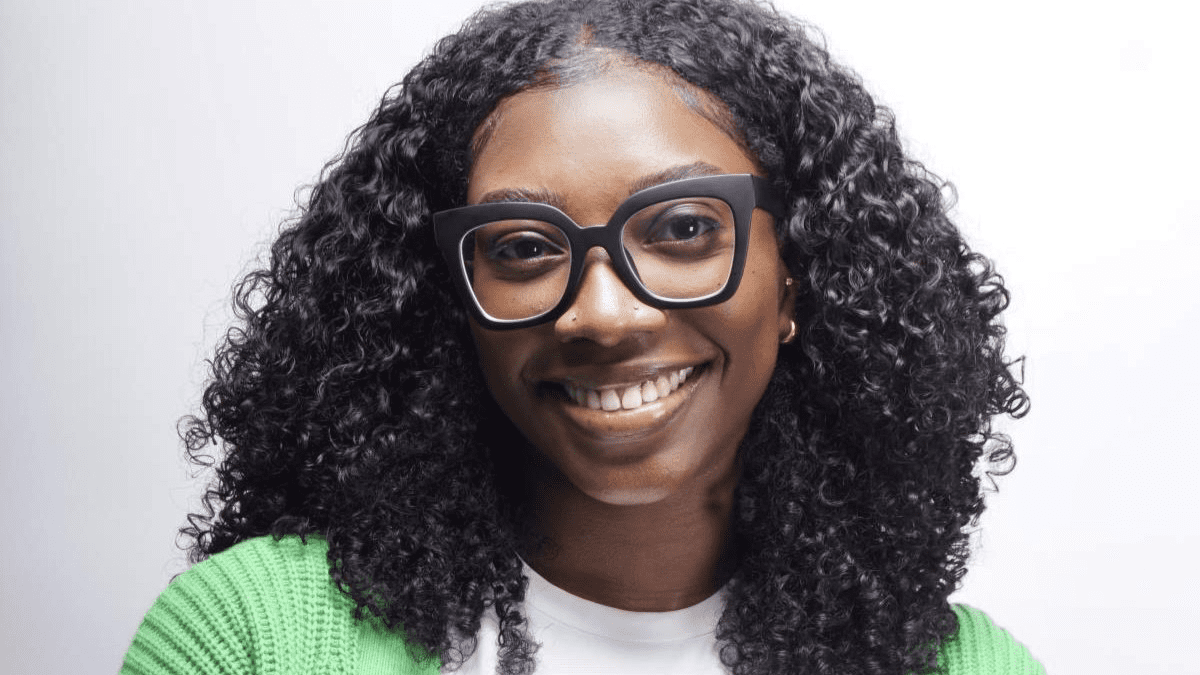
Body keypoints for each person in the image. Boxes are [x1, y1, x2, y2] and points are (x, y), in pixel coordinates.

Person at [122, 0, 1039, 673]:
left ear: (796, 274)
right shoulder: (252, 637)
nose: (602, 313)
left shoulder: (966, 668)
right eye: (522, 248)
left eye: (682, 229)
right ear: (450, 298)